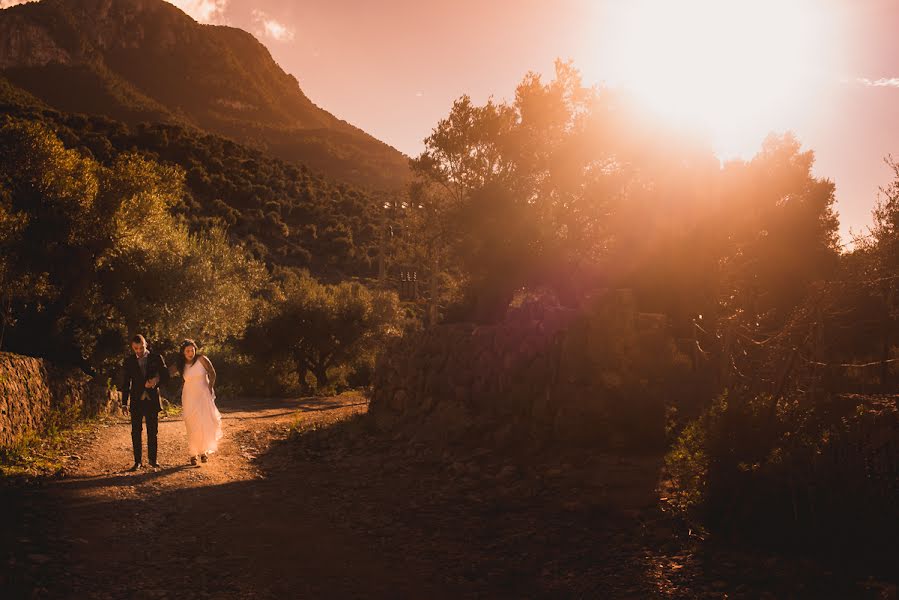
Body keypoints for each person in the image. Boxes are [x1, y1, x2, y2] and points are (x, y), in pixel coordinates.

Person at [121, 334, 169, 471]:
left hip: (152, 400)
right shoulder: (129, 361)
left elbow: (166, 376)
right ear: (132, 347)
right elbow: (126, 383)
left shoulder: (156, 358)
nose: (139, 351)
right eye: (135, 348)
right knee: (135, 432)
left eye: (141, 347)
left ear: (145, 344)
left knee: (152, 431)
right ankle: (137, 462)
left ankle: (153, 460)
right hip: (136, 401)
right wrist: (124, 403)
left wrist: (155, 381)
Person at [174, 339, 222, 466]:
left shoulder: (202, 359)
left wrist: (210, 387)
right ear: (183, 353)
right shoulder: (181, 364)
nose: (190, 353)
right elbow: (167, 372)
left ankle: (203, 452)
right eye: (187, 351)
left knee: (203, 422)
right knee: (191, 424)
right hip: (189, 396)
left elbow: (212, 372)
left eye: (192, 350)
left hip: (203, 395)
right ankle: (193, 453)